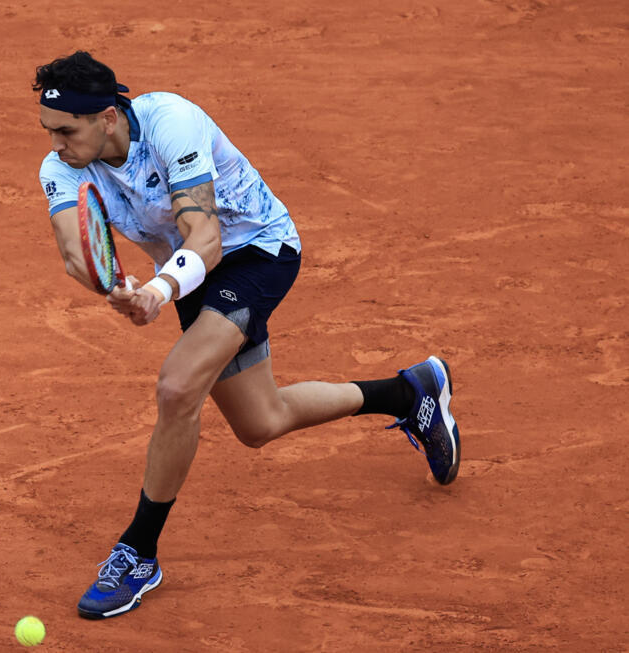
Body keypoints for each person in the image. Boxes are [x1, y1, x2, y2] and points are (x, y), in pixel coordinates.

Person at [34, 51, 460, 620]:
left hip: (257, 250)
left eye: (67, 130)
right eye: (48, 130)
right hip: (188, 276)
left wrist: (157, 293)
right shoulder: (60, 168)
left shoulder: (171, 123)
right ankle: (411, 393)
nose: (56, 143)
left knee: (177, 387)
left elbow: (205, 234)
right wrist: (115, 287)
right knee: (261, 423)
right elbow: (75, 252)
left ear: (108, 116)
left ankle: (138, 551)